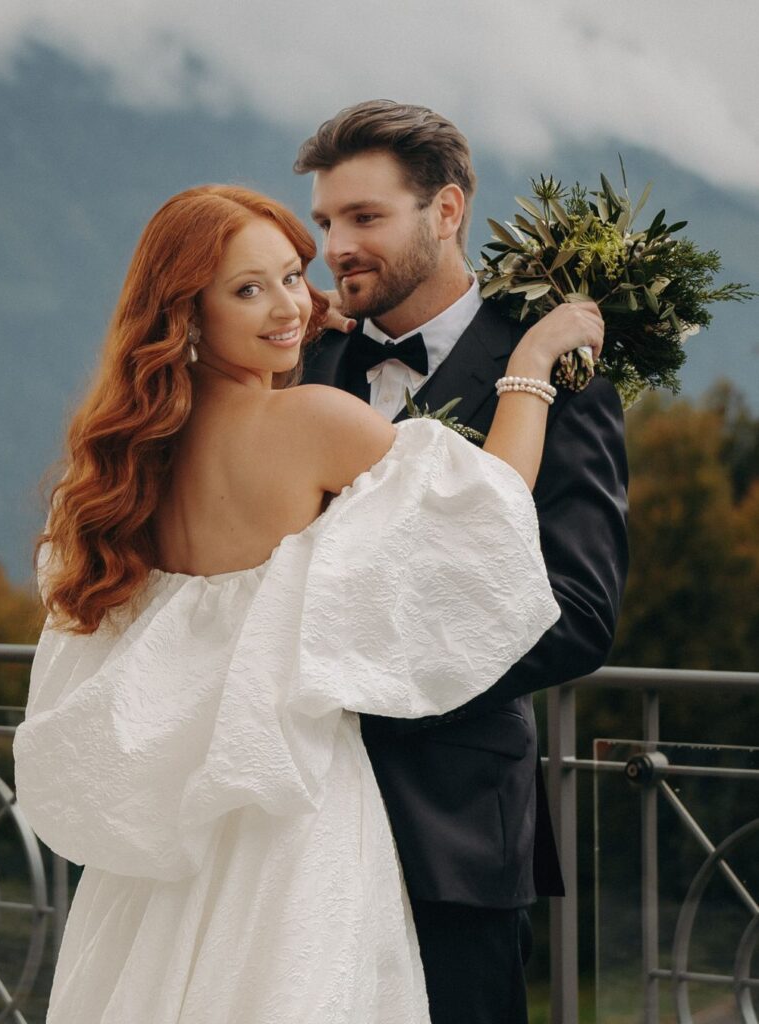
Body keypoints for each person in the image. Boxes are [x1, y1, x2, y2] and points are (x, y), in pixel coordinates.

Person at [13, 183, 605, 1024]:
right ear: (185, 312)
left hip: (172, 837)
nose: (289, 303)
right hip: (291, 809)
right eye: (246, 290)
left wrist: (276, 326)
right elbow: (488, 506)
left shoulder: (123, 460)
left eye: (293, 277)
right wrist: (532, 366)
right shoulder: (311, 422)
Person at [295, 100, 629, 1024]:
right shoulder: (302, 358)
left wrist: (375, 677)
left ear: (445, 213)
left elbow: (577, 608)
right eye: (327, 222)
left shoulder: (561, 379)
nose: (335, 248)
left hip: (452, 834)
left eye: (365, 218)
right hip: (293, 823)